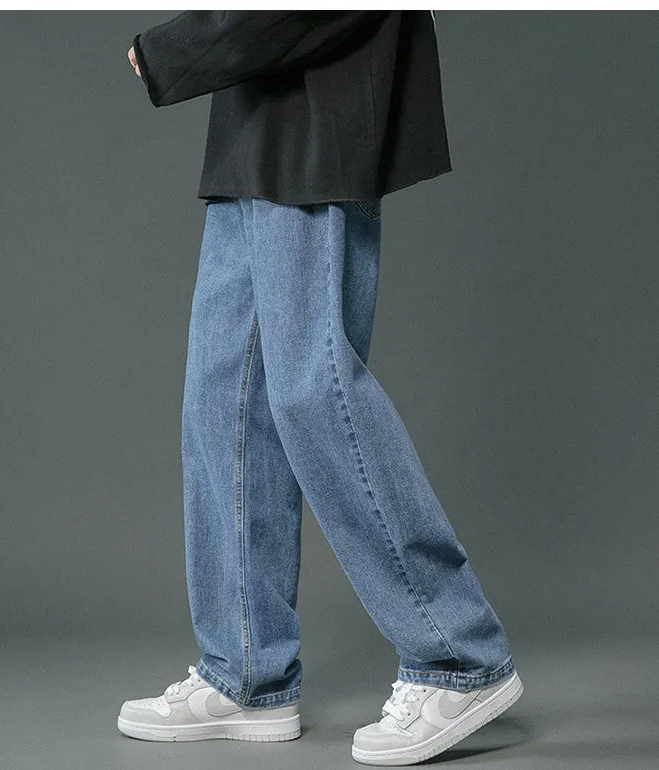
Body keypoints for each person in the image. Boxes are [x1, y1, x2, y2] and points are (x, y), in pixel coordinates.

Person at [118, 10, 523, 765]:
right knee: (223, 398)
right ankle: (246, 672)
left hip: (318, 109)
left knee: (313, 390)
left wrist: (177, 48)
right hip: (255, 111)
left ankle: (458, 655)